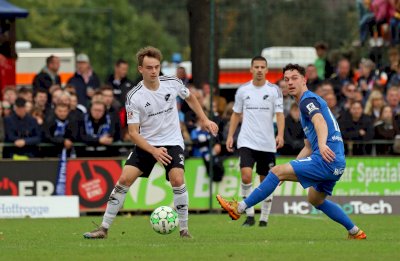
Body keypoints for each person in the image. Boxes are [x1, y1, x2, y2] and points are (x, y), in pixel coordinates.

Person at [217, 64, 367, 240]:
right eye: (286, 79)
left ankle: (239, 208)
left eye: (295, 78)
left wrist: (323, 144)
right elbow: (308, 147)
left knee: (276, 172)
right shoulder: (306, 104)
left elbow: (320, 122)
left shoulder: (307, 101)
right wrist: (291, 167)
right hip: (336, 162)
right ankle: (355, 231)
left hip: (326, 159)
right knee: (315, 200)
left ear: (304, 80)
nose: (290, 82)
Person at [83, 46, 218, 239]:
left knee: (178, 179)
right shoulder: (134, 96)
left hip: (172, 141)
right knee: (124, 180)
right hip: (147, 143)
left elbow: (190, 98)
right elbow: (133, 133)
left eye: (156, 67)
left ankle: (184, 230)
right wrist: (153, 151)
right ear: (140, 69)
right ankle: (103, 229)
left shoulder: (172, 83)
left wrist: (204, 119)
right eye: (149, 67)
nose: (153, 71)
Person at [225, 56, 284, 227]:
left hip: (267, 143)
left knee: (266, 182)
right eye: (256, 66)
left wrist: (280, 134)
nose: (259, 70)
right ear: (251, 69)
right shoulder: (243, 90)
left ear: (266, 70)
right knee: (246, 176)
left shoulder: (274, 90)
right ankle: (249, 215)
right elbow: (236, 114)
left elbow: (280, 114)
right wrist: (230, 135)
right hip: (247, 141)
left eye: (262, 67)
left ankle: (264, 218)